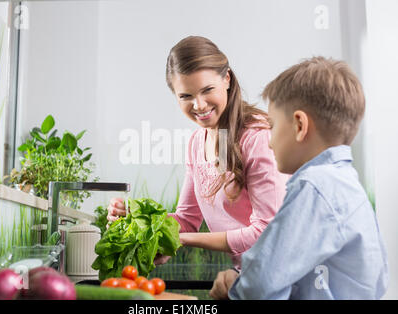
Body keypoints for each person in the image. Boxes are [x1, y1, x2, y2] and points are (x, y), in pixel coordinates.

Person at [210, 56, 389, 300]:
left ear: (299, 125)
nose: (270, 142)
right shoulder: (344, 183)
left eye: (272, 126)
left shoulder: (315, 186)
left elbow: (261, 283)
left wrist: (236, 289)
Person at [107, 36, 288, 270]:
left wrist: (182, 240)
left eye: (207, 90)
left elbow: (267, 232)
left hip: (280, 279)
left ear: (227, 79)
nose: (199, 105)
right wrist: (138, 218)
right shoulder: (196, 143)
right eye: (186, 96)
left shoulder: (258, 137)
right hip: (245, 277)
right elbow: (186, 220)